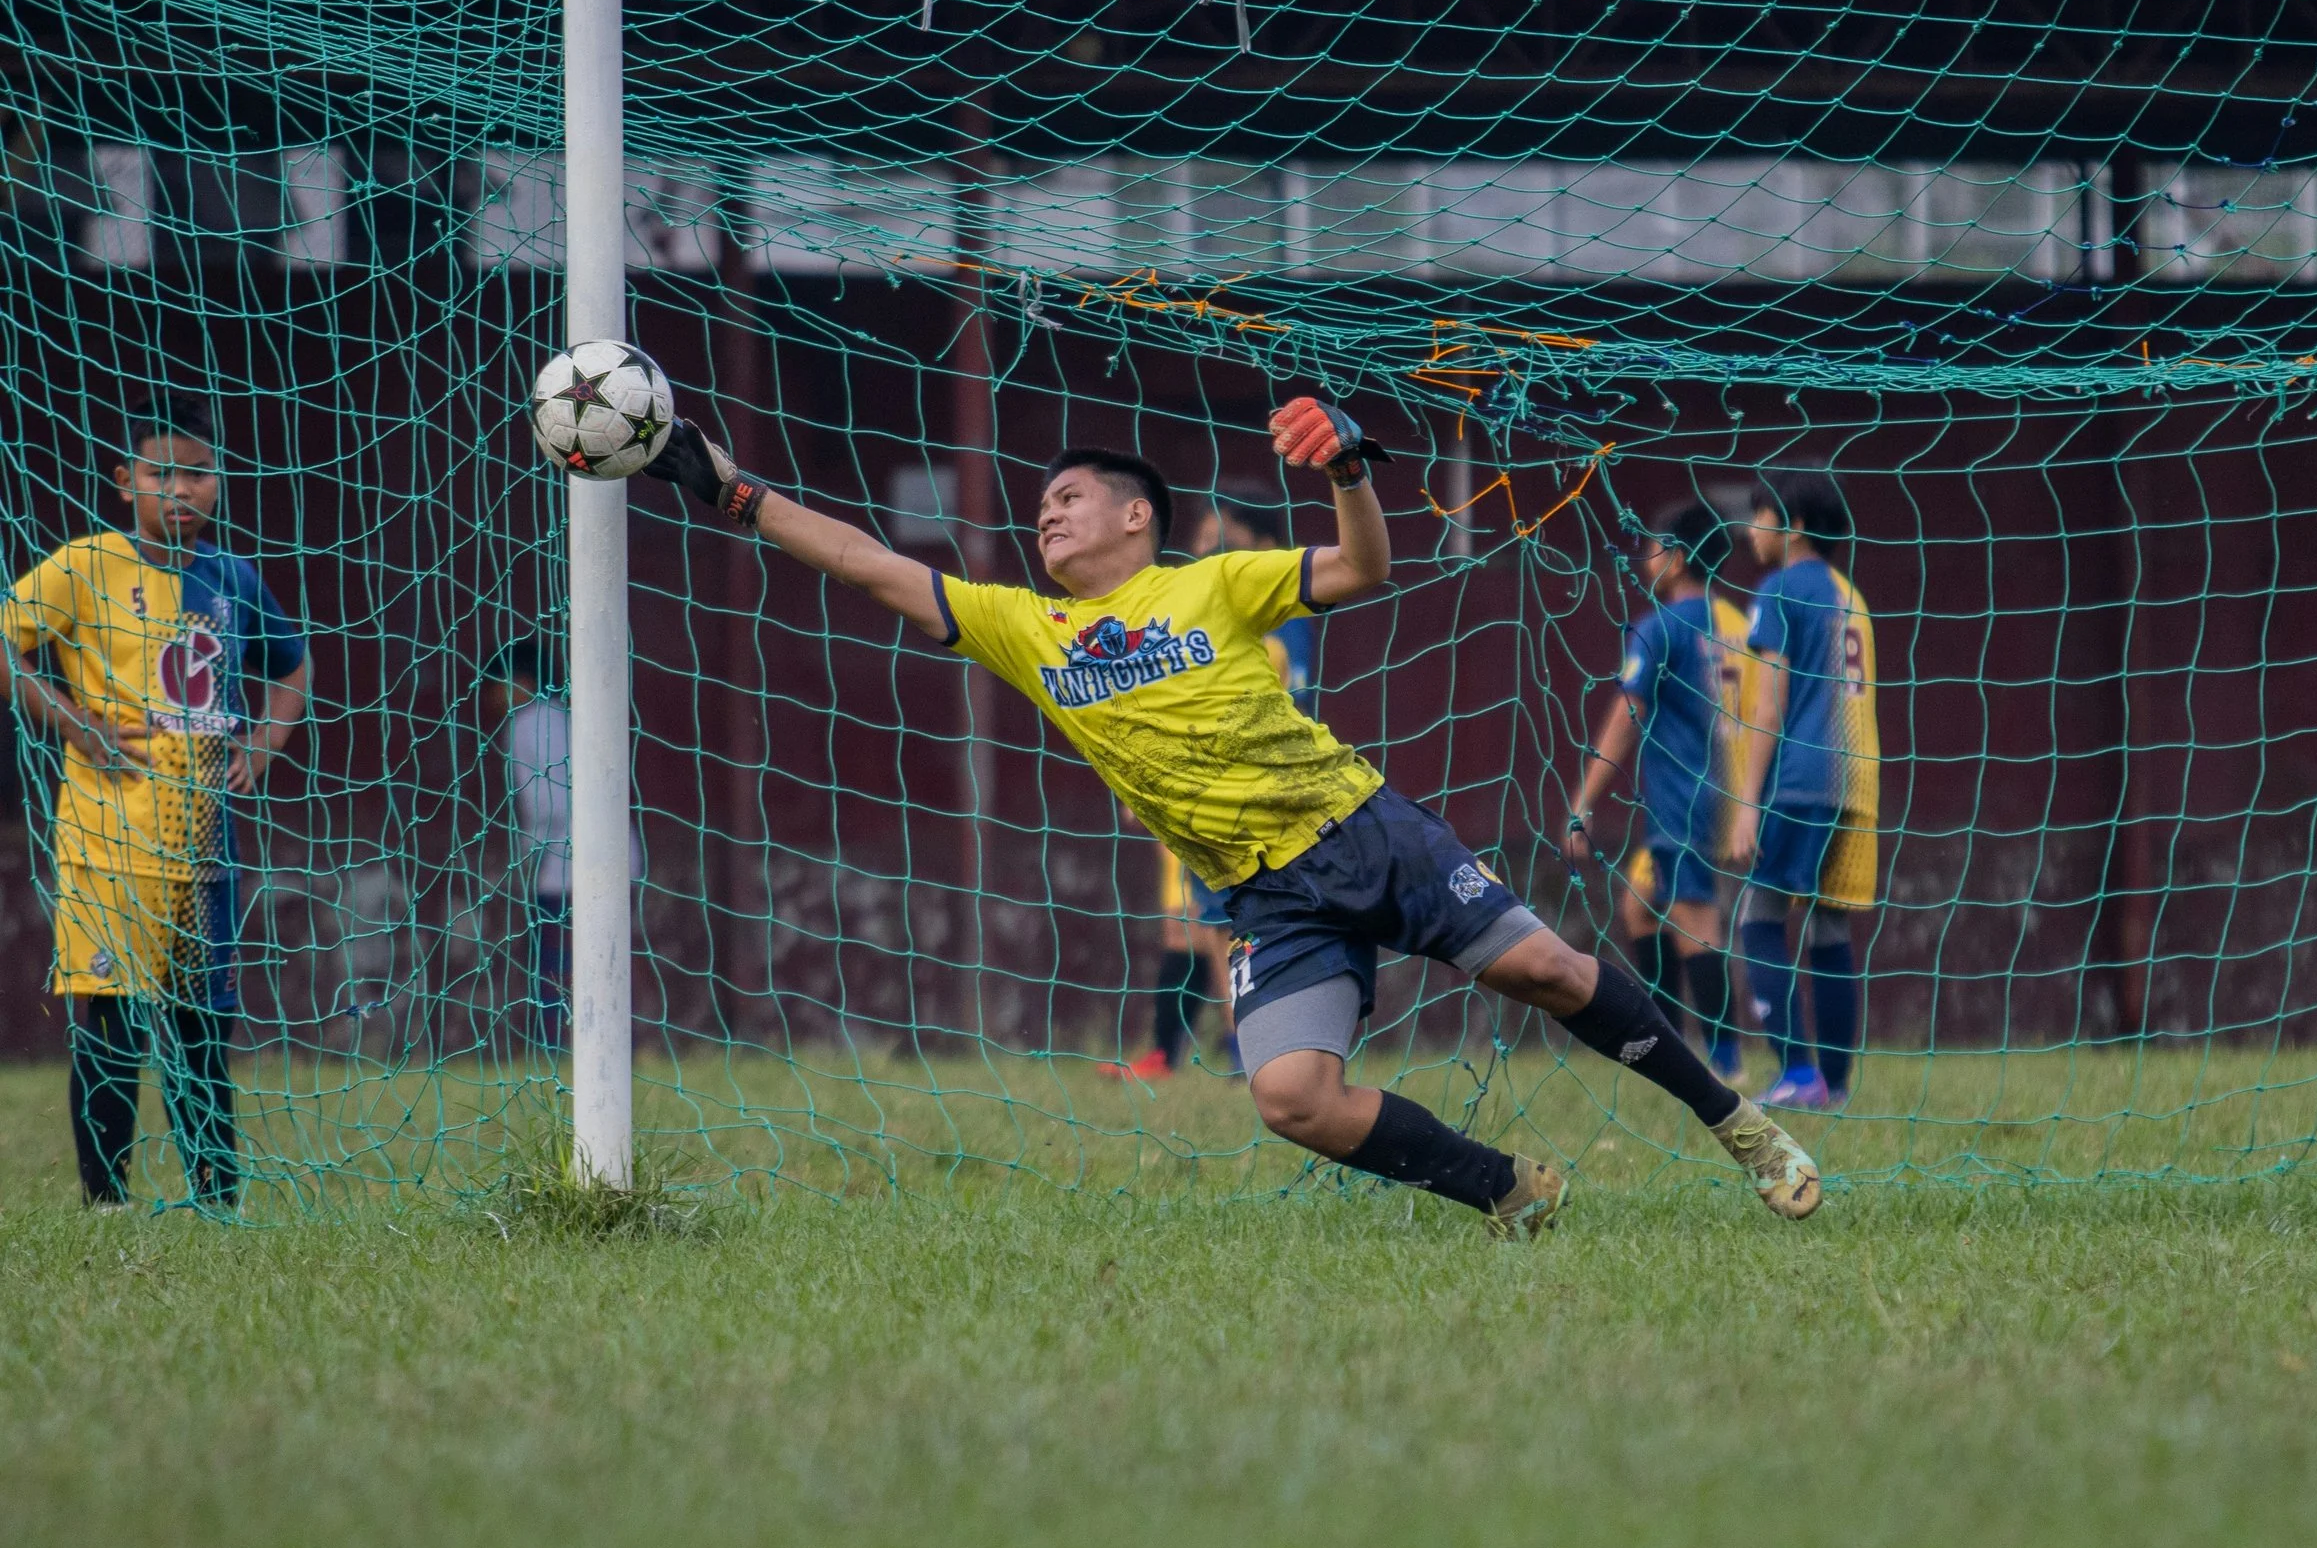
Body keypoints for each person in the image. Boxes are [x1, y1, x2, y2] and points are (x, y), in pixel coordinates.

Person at [639, 396, 1822, 1235]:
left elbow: (1363, 569)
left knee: (1548, 971)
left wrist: (1349, 471)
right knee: (1290, 1097)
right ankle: (1505, 1189)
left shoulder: (1211, 579)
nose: (1046, 516)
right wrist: (737, 493)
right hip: (1262, 896)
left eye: (1068, 498)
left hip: (1361, 828)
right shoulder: (1024, 626)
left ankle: (1739, 1123)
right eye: (1041, 505)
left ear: (1135, 518)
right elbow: (866, 562)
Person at [1, 397, 309, 1209]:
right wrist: (76, 722)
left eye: (197, 473)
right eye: (160, 472)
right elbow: (7, 643)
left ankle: (218, 1199)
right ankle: (107, 1202)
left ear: (219, 481)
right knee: (112, 1022)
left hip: (203, 844)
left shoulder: (232, 577)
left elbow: (292, 666)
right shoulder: (84, 564)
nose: (180, 489)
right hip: (107, 838)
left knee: (202, 1024)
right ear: (124, 480)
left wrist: (262, 744)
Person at [1103, 487, 1318, 1081]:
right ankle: (1183, 1052)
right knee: (1195, 923)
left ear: (1258, 538)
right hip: (1230, 779)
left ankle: (1244, 1049)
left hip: (1227, 783)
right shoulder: (1272, 604)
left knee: (1215, 923)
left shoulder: (1257, 605)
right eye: (1202, 532)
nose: (1205, 542)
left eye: (1216, 530)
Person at [1564, 501, 1754, 1087]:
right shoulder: (1735, 622)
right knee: (1640, 906)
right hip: (1729, 790)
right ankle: (1670, 1042)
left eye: (1651, 546)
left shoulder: (1661, 625)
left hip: (1684, 797)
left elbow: (1628, 714)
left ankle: (1725, 1063)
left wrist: (1583, 801)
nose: (1644, 557)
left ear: (1675, 556)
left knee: (1695, 920)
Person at [1724, 466, 1882, 1111]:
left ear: (1791, 525)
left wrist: (1745, 806)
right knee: (1827, 922)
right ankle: (1834, 1085)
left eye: (1759, 516)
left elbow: (1769, 706)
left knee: (1759, 916)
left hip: (1803, 778)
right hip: (1858, 778)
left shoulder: (1779, 588)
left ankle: (1796, 1071)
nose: (1750, 529)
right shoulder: (1849, 593)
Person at [481, 636, 577, 1053]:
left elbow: (549, 802)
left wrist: (528, 850)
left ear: (521, 682)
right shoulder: (564, 716)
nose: (490, 697)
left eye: (495, 685)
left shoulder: (525, 724)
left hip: (562, 864)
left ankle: (556, 1046)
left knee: (555, 962)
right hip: (609, 859)